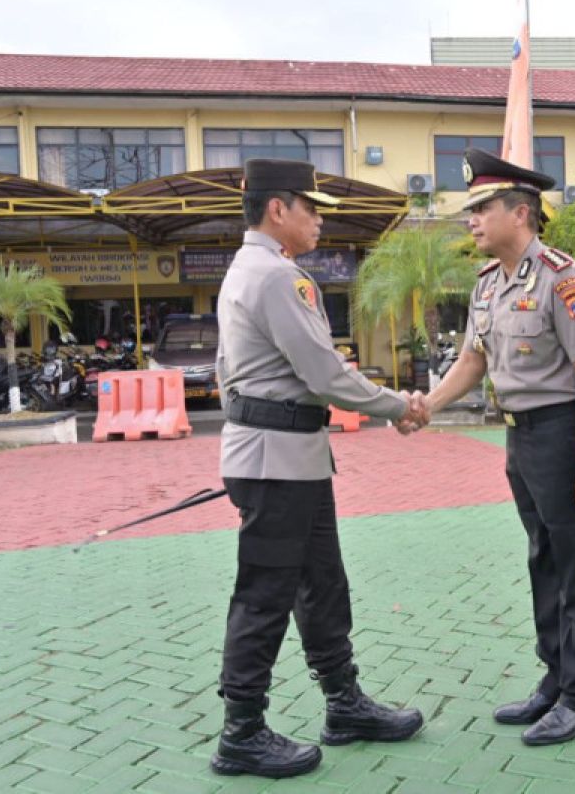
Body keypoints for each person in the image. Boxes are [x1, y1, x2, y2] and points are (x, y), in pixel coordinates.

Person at [210, 159, 427, 779]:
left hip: (289, 458)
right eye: (312, 207)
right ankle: (242, 732)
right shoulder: (279, 278)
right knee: (266, 595)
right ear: (278, 210)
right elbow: (324, 374)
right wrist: (399, 407)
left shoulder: (249, 269)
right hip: (277, 462)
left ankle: (343, 702)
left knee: (321, 584)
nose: (320, 219)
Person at [422, 147, 575, 746]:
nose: (471, 219)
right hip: (519, 437)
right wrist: (426, 406)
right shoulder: (489, 283)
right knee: (544, 560)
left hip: (565, 438)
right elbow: (473, 360)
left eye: (483, 208)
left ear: (521, 213)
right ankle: (556, 680)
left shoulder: (564, 278)